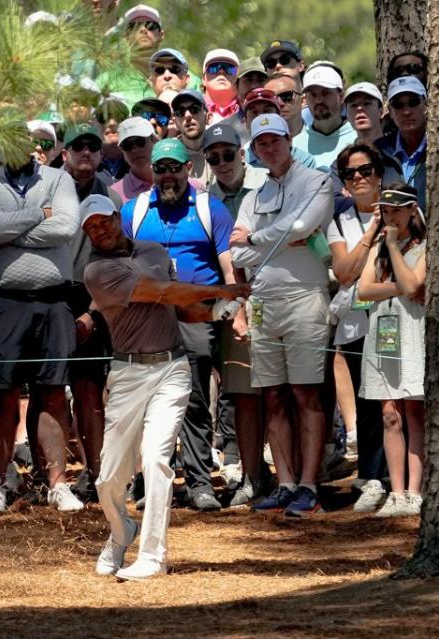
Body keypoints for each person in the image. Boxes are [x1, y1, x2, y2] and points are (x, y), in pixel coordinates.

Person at [82, 194, 248, 579]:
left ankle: (153, 556)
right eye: (90, 228)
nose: (99, 230)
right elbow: (164, 293)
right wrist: (224, 291)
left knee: (157, 458)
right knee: (109, 476)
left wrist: (213, 312)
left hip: (172, 367)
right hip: (127, 374)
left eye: (103, 221)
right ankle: (122, 529)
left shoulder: (153, 249)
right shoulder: (97, 271)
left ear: (115, 216)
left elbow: (179, 307)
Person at [0, 129, 83, 515]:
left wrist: (10, 233)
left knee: (52, 391)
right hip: (3, 302)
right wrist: (38, 215)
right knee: (3, 394)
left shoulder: (58, 178)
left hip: (54, 300)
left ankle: (56, 483)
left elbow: (66, 226)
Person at [119, 138, 238, 511]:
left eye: (174, 167)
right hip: (146, 318)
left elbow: (228, 265)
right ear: (151, 172)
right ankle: (150, 481)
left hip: (194, 315)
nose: (167, 175)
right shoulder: (133, 211)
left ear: (189, 169)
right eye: (160, 168)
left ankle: (200, 481)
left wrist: (235, 308)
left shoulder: (208, 208)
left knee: (194, 398)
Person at [229, 114, 334, 517]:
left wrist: (257, 237)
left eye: (275, 140)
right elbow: (236, 254)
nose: (269, 148)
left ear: (288, 140)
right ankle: (286, 482)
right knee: (272, 395)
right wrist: (286, 238)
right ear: (254, 150)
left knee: (306, 392)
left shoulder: (316, 180)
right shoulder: (254, 196)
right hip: (262, 302)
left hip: (305, 297)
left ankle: (309, 484)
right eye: (261, 143)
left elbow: (306, 223)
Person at [203, 124, 269, 506]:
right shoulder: (203, 197)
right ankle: (251, 473)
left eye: (229, 154)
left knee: (279, 394)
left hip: (270, 294)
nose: (223, 162)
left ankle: (292, 476)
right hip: (226, 306)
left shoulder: (264, 185)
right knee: (242, 393)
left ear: (242, 153)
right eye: (214, 157)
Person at [327, 144, 391, 512]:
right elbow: (344, 271)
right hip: (356, 323)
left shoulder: (403, 208)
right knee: (367, 401)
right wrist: (371, 233)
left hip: (396, 318)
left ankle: (394, 477)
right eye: (350, 174)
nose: (359, 178)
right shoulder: (339, 220)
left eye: (365, 170)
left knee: (395, 398)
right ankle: (369, 474)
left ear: (379, 173)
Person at [357, 183, 426, 518]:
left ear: (413, 210)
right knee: (390, 414)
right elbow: (364, 290)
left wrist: (395, 248)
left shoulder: (425, 243)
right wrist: (401, 285)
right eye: (386, 210)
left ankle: (414, 491)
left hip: (413, 330)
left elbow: (417, 285)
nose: (391, 216)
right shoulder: (377, 246)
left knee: (414, 411)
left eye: (397, 209)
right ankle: (395, 491)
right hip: (384, 332)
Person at [64, 123, 123, 501]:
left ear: (101, 154)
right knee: (82, 389)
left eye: (92, 146)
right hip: (62, 295)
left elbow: (120, 255)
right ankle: (94, 469)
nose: (86, 152)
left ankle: (115, 472)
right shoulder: (50, 187)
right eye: (78, 146)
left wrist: (92, 311)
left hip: (106, 296)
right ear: (65, 151)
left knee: (115, 391)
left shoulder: (111, 194)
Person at [375, 77, 427, 211]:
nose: (407, 112)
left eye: (414, 102)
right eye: (398, 105)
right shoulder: (378, 151)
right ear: (390, 112)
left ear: (426, 105)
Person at [293, 64, 357, 170]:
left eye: (326, 93)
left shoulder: (358, 137)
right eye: (313, 95)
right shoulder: (295, 146)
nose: (319, 100)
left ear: (341, 96)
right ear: (305, 99)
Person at [96, 4, 162, 107]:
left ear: (161, 34)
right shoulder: (106, 81)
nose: (143, 29)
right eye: (134, 26)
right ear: (125, 35)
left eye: (150, 25)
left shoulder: (182, 77)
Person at [109, 116, 156, 202]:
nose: (135, 150)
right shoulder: (113, 194)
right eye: (127, 145)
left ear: (154, 140)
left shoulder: (178, 180)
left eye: (140, 141)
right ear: (122, 150)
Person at [170, 90, 210, 188]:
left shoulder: (223, 147)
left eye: (194, 109)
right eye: (180, 112)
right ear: (175, 122)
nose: (188, 115)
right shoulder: (169, 156)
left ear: (207, 116)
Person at [201, 49, 239, 119]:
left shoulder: (250, 109)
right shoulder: (191, 107)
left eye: (230, 68)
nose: (221, 71)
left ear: (238, 78)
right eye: (213, 68)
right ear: (203, 79)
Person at [265, 73, 304, 138]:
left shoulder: (322, 138)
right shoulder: (256, 146)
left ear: (302, 100)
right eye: (273, 99)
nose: (280, 103)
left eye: (286, 96)